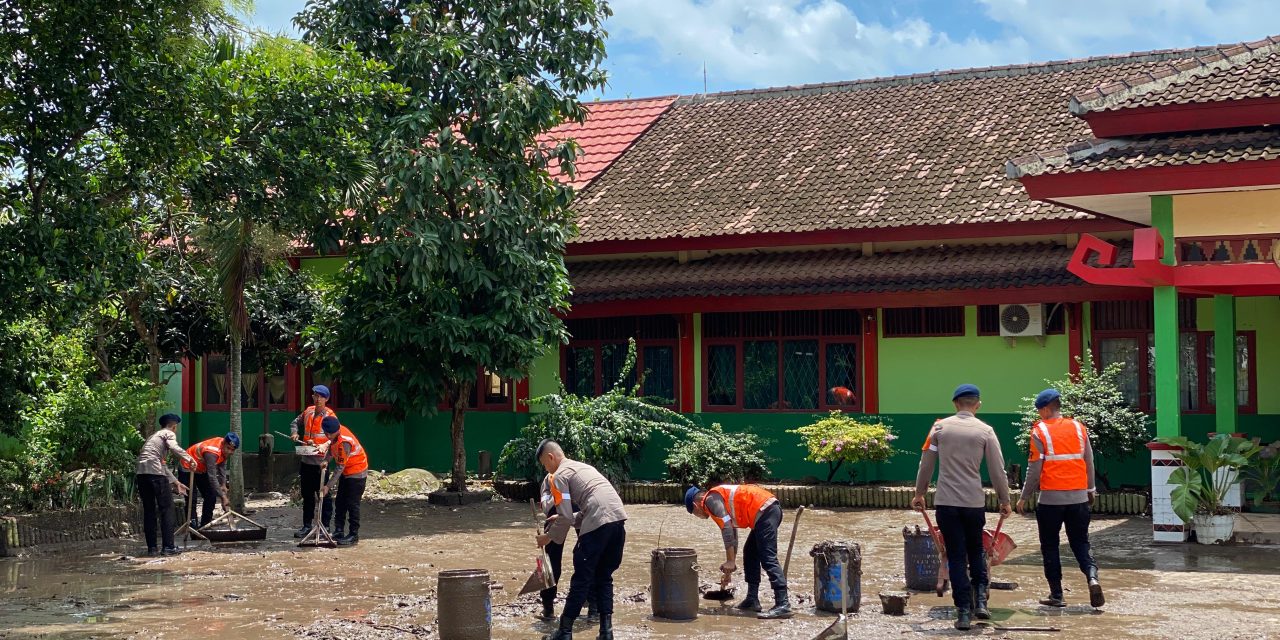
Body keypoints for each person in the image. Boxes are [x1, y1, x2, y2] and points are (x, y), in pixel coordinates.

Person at [912, 384, 1011, 631]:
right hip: (973, 504)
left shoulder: (939, 428)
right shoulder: (986, 431)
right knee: (976, 550)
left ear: (955, 403)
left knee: (955, 556)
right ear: (977, 404)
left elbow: (926, 464)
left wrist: (919, 493)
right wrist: (1004, 500)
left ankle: (963, 612)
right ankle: (981, 603)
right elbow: (997, 470)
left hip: (946, 502)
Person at [1016, 388, 1105, 609]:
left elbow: (1034, 469)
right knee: (1081, 542)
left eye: (1039, 411)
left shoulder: (1040, 431)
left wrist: (1024, 497)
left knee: (1050, 546)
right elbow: (1089, 462)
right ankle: (1092, 577)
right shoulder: (1078, 427)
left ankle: (1057, 594)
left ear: (1046, 409)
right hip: (1078, 498)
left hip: (1050, 501)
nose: (1039, 415)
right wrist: (1090, 489)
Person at [534, 440, 627, 640]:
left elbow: (566, 517)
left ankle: (564, 631)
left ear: (550, 457)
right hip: (618, 522)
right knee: (604, 577)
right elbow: (584, 511)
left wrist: (547, 537)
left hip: (597, 525)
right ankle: (606, 632)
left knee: (581, 579)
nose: (545, 469)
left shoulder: (557, 476)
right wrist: (559, 519)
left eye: (544, 464)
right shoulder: (583, 467)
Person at [684, 483, 791, 619]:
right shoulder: (715, 500)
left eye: (694, 514)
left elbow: (727, 528)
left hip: (766, 511)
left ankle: (783, 604)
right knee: (750, 553)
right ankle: (752, 599)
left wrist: (730, 561)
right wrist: (730, 566)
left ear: (695, 505)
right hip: (765, 512)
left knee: (768, 558)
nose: (698, 516)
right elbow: (732, 532)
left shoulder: (710, 500)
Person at [538, 473, 599, 623]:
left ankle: (548, 607)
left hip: (556, 508)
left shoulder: (549, 478)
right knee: (588, 554)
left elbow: (546, 506)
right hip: (583, 507)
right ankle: (593, 606)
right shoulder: (578, 473)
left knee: (551, 559)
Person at [134, 414, 197, 556]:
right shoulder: (168, 433)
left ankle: (152, 548)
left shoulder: (152, 438)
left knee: (149, 511)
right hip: (155, 475)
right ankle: (168, 547)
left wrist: (176, 482)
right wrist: (189, 459)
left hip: (142, 475)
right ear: (174, 426)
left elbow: (160, 464)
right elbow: (173, 447)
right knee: (167, 509)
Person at [290, 385, 338, 539]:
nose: (318, 399)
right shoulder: (308, 411)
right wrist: (295, 433)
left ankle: (324, 526)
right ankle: (306, 526)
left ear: (326, 399)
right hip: (306, 459)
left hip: (321, 462)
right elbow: (294, 422)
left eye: (321, 397)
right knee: (307, 495)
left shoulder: (330, 416)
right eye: (315, 396)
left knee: (324, 495)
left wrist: (325, 444)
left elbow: (336, 437)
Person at [317, 416, 367, 546]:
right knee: (340, 502)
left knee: (352, 504)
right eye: (328, 434)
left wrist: (327, 486)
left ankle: (353, 535)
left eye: (330, 434)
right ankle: (339, 530)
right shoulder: (335, 435)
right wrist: (326, 460)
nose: (329, 436)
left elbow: (339, 467)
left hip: (357, 473)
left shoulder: (345, 442)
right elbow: (331, 448)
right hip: (347, 472)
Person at [178, 433, 239, 528]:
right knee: (191, 499)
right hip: (188, 468)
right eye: (228, 448)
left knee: (211, 496)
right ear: (223, 444)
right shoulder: (212, 452)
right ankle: (193, 528)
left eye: (232, 450)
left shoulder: (224, 448)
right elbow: (212, 477)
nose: (229, 452)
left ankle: (205, 526)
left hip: (201, 468)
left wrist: (223, 484)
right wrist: (223, 497)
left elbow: (222, 465)